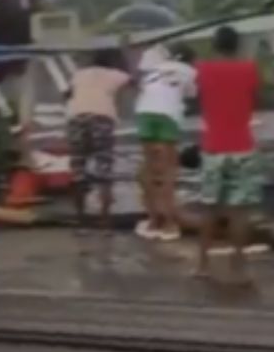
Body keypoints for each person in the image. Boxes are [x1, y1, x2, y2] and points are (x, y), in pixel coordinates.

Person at [195, 25, 261, 283]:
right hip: (243, 145)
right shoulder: (249, 69)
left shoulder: (203, 69)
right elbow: (255, 99)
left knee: (209, 209)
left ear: (215, 45)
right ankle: (239, 266)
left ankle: (202, 265)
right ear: (238, 46)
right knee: (239, 211)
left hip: (213, 147)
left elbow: (198, 97)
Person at [134, 43, 196, 241]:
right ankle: (169, 223)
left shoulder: (156, 68)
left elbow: (144, 87)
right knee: (169, 170)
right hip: (167, 115)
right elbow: (191, 95)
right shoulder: (191, 72)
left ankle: (153, 220)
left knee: (149, 168)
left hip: (144, 112)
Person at [65, 48, 131, 227]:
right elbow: (134, 81)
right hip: (102, 118)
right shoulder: (116, 74)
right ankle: (105, 219)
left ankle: (80, 218)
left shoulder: (80, 74)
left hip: (76, 118)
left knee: (78, 169)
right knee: (104, 168)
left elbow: (66, 94)